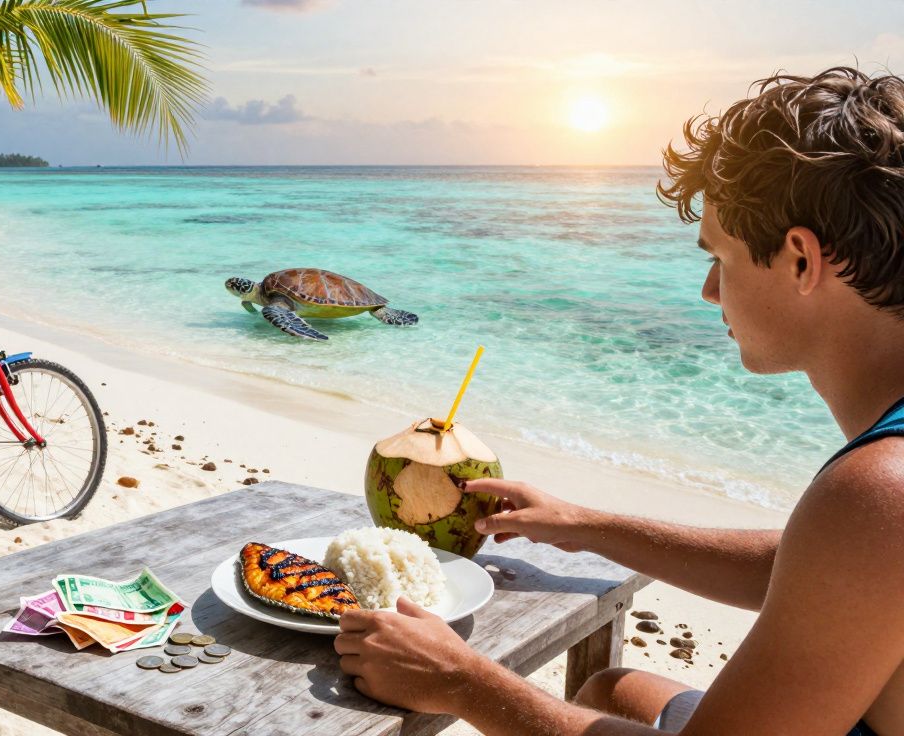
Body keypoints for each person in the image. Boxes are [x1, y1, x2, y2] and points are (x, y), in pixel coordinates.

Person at [335, 67, 904, 735]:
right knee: (612, 690)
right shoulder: (871, 512)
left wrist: (460, 682)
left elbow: (853, 547)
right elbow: (820, 575)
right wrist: (583, 524)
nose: (709, 291)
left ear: (802, 261)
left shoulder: (879, 492)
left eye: (720, 259)